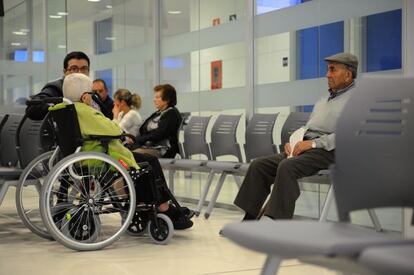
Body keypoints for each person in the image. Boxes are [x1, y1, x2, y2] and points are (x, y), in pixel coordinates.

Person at [234, 52, 358, 221]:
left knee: (287, 166)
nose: (327, 75)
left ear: (348, 74)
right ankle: (249, 219)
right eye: (328, 70)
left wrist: (313, 144)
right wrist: (295, 140)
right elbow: (310, 126)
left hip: (331, 151)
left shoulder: (357, 100)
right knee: (259, 165)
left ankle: (276, 222)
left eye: (332, 70)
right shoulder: (324, 100)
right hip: (307, 149)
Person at [61, 73, 193, 229]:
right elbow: (115, 129)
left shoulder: (67, 110)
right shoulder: (87, 111)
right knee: (147, 163)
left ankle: (154, 205)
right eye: (91, 94)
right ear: (84, 97)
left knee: (141, 161)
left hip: (85, 156)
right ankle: (162, 207)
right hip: (102, 156)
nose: (93, 97)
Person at [26, 51, 90, 120]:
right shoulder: (56, 87)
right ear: (65, 72)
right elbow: (33, 108)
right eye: (74, 69)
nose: (80, 73)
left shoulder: (91, 89)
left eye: (84, 69)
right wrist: (62, 107)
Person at [129, 84, 182, 158]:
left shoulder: (171, 114)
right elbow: (144, 129)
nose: (154, 100)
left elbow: (159, 134)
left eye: (157, 97)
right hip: (150, 147)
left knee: (130, 155)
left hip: (163, 149)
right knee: (125, 151)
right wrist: (135, 139)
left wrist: (139, 139)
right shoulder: (159, 113)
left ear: (167, 99)